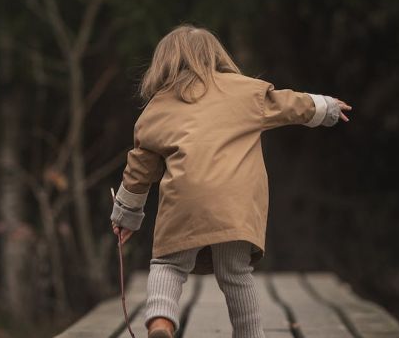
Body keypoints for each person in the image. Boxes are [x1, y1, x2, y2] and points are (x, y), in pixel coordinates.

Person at [110, 24, 351, 338]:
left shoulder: (156, 109)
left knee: (168, 264)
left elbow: (139, 171)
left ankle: (160, 323)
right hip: (234, 206)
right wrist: (326, 107)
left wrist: (126, 217)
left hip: (184, 202)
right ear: (216, 55)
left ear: (164, 63)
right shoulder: (244, 91)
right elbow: (289, 104)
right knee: (236, 274)